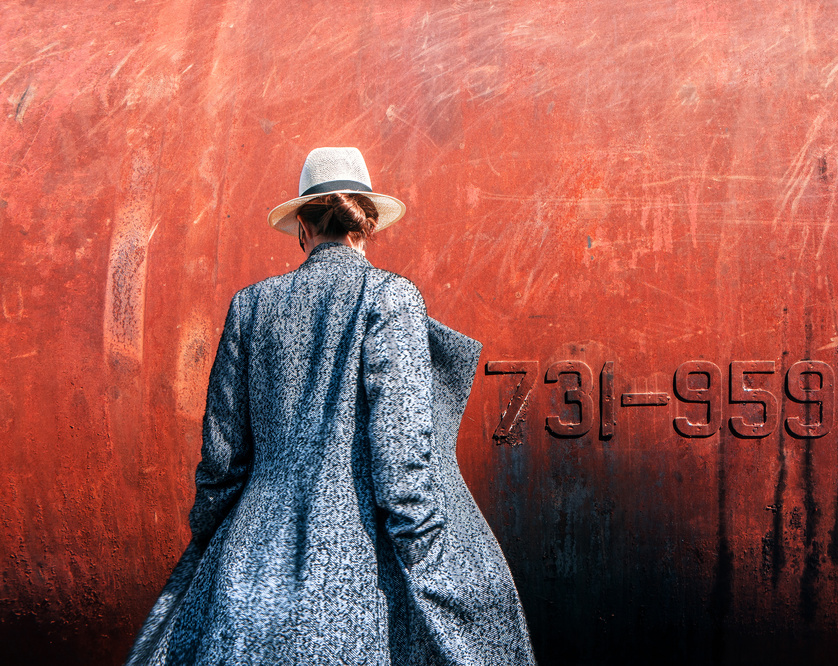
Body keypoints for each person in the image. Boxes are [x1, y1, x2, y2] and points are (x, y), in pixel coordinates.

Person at [125, 147, 536, 665]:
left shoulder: (251, 305)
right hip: (356, 586)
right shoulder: (391, 297)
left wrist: (207, 549)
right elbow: (402, 461)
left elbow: (221, 463)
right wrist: (439, 567)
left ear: (302, 227)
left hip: (247, 581)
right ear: (367, 224)